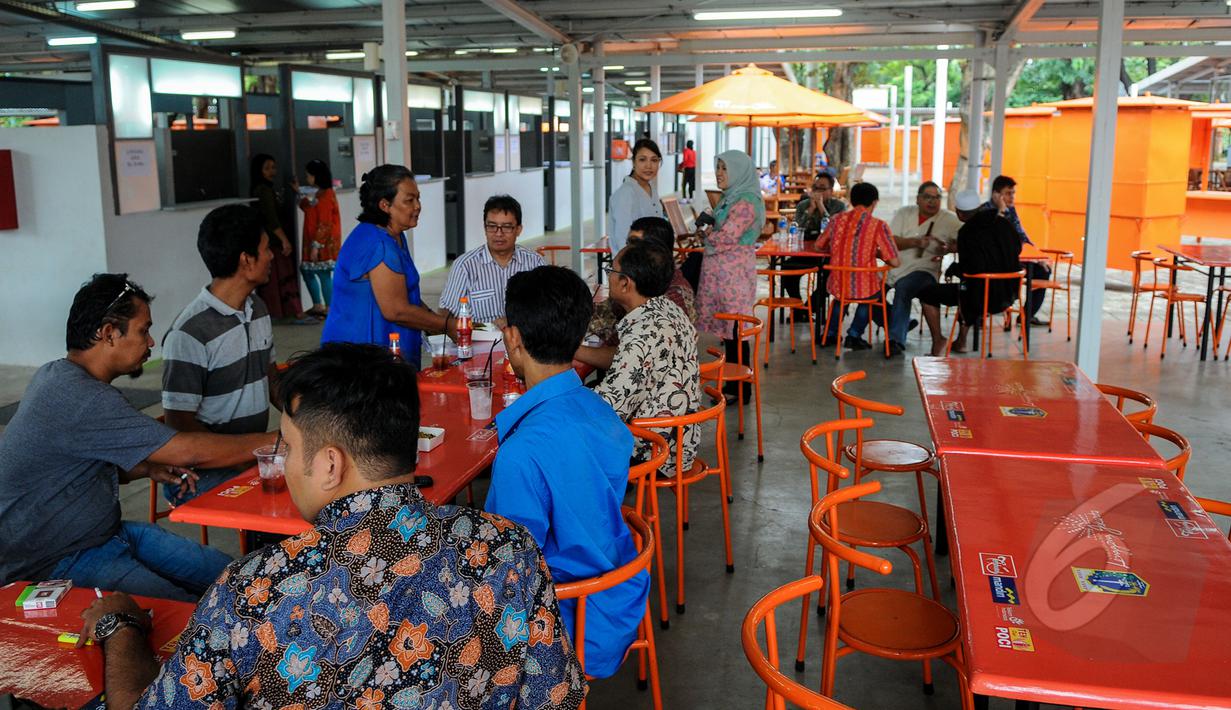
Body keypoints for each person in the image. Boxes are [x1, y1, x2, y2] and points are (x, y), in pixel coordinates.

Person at [78, 343, 587, 710]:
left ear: (328, 464)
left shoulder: (253, 592)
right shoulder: (508, 549)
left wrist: (119, 627)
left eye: (288, 447)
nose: (282, 459)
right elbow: (555, 696)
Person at [0, 274, 276, 600]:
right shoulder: (79, 395)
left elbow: (71, 470)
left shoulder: (56, 374)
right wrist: (278, 441)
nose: (151, 342)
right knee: (191, 614)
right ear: (108, 333)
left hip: (109, 534)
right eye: (143, 331)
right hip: (56, 561)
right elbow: (185, 450)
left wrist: (145, 469)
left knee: (240, 578)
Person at [486, 265, 649, 680]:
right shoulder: (600, 410)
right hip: (619, 595)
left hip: (571, 624)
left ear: (513, 339)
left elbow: (511, 570)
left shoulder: (520, 454)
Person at [161, 204, 278, 504]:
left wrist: (310, 415)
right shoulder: (189, 333)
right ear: (246, 260)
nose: (272, 256)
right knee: (276, 497)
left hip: (253, 454)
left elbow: (273, 380)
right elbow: (179, 425)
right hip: (201, 469)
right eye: (266, 249)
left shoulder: (259, 310)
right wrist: (243, 457)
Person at [321, 164, 457, 369]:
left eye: (418, 198)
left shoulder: (394, 236)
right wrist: (446, 325)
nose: (418, 206)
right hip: (361, 360)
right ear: (385, 205)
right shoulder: (378, 244)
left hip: (387, 354)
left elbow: (405, 293)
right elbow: (396, 310)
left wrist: (433, 321)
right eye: (409, 200)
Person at [584, 240, 700, 474]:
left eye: (611, 271)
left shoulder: (643, 332)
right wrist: (573, 351)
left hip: (655, 450)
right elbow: (624, 361)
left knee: (563, 437)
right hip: (679, 436)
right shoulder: (666, 308)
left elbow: (609, 407)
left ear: (625, 283)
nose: (609, 277)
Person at [918, 189, 1024, 355]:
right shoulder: (1004, 224)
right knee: (968, 286)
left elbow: (971, 270)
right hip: (1009, 294)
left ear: (959, 214)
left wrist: (953, 269)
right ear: (980, 207)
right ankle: (961, 341)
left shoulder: (967, 233)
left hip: (981, 299)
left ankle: (939, 342)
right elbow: (1017, 249)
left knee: (931, 292)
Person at [697, 150, 764, 401]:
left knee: (736, 329)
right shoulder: (731, 197)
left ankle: (741, 387)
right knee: (730, 330)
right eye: (718, 168)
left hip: (733, 275)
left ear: (739, 171)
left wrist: (706, 234)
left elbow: (726, 237)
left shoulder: (746, 202)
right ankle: (734, 385)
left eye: (725, 168)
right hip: (723, 273)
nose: (719, 173)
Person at [585, 216, 697, 346]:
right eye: (628, 243)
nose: (627, 250)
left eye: (634, 244)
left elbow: (620, 353)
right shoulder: (641, 285)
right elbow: (601, 312)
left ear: (655, 252)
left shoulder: (672, 298)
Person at [815, 182, 901, 351]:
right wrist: (876, 253)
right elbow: (895, 261)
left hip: (838, 280)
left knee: (841, 298)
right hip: (865, 284)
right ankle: (854, 335)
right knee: (871, 297)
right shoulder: (878, 225)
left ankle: (829, 334)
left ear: (852, 201)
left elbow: (819, 246)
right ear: (874, 202)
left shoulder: (836, 220)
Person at [439, 194, 544, 325]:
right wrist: (485, 327)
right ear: (485, 228)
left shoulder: (535, 263)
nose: (498, 233)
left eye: (506, 227)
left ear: (518, 230)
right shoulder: (465, 266)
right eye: (492, 226)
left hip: (524, 342)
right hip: (478, 342)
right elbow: (446, 314)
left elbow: (547, 310)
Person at [884, 181, 962, 354]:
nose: (932, 201)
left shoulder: (948, 219)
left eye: (936, 198)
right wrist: (915, 242)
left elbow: (966, 240)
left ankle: (896, 340)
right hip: (893, 267)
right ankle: (901, 323)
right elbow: (891, 240)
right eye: (927, 197)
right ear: (918, 199)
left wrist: (949, 248)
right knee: (870, 294)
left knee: (903, 288)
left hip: (923, 271)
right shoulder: (904, 213)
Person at [982, 174, 1049, 324]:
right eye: (1008, 193)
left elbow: (1022, 235)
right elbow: (994, 238)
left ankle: (1026, 316)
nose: (1012, 197)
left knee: (1042, 270)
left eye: (1013, 193)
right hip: (992, 262)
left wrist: (1037, 257)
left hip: (1013, 260)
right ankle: (988, 309)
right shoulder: (985, 211)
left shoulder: (1011, 211)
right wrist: (1000, 211)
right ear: (996, 195)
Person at [249, 154, 307, 322]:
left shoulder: (266, 189)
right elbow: (271, 219)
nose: (272, 171)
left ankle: (279, 312)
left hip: (272, 240)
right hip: (273, 241)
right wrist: (284, 239)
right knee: (280, 277)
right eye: (267, 168)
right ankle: (291, 311)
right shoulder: (264, 191)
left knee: (275, 280)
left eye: (273, 167)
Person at [780, 172, 848, 305]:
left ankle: (810, 307)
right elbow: (796, 228)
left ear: (831, 190)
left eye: (822, 189)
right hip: (805, 250)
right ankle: (798, 306)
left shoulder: (839, 206)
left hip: (829, 253)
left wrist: (821, 207)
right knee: (787, 268)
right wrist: (811, 209)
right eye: (816, 188)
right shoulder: (803, 205)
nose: (818, 192)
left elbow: (835, 230)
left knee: (830, 277)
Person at [296, 158, 341, 318]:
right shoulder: (320, 194)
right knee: (309, 271)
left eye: (309, 175)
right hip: (314, 241)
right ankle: (319, 305)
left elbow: (325, 223)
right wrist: (299, 193)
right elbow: (307, 207)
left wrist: (317, 245)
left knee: (322, 273)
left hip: (322, 243)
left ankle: (328, 307)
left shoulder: (326, 196)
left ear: (316, 176)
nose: (307, 178)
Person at [607, 138, 666, 255]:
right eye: (642, 160)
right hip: (633, 266)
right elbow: (622, 239)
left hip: (653, 262)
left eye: (654, 160)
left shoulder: (651, 188)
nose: (649, 166)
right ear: (633, 162)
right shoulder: (626, 193)